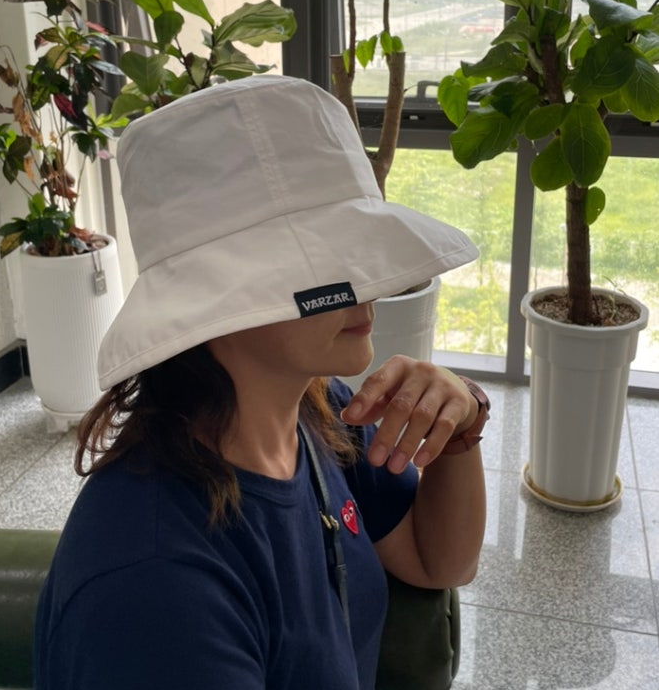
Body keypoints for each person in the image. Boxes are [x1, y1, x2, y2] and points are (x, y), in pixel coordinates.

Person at [33, 75, 487, 690]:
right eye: (322, 263)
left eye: (355, 250)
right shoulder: (155, 583)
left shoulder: (319, 413)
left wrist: (460, 425)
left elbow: (440, 563)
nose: (364, 284)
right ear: (218, 297)